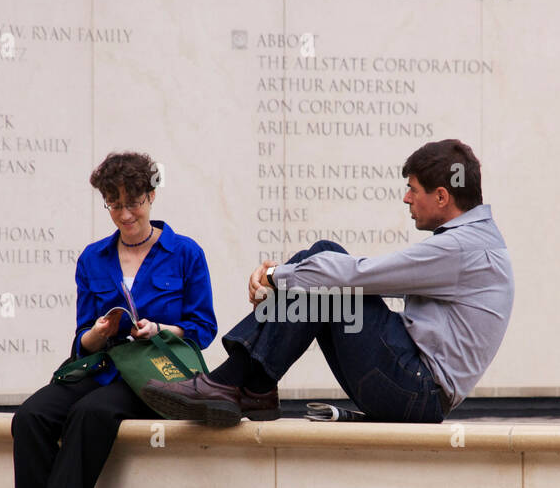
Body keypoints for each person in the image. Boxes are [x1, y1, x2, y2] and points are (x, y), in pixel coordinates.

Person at [140, 138, 512, 427]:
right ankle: (251, 388)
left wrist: (275, 277)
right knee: (324, 273)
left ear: (443, 196)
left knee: (326, 263)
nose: (406, 198)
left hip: (415, 390)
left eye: (414, 189)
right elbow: (369, 281)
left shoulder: (462, 249)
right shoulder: (474, 244)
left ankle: (237, 383)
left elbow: (359, 275)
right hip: (413, 387)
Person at [0, 151, 217, 488]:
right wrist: (98, 331)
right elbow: (81, 340)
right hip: (101, 366)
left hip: (153, 374)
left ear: (152, 196)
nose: (126, 214)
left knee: (91, 413)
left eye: (134, 202)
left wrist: (160, 328)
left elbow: (203, 329)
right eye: (114, 204)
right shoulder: (92, 258)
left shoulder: (185, 253)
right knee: (31, 416)